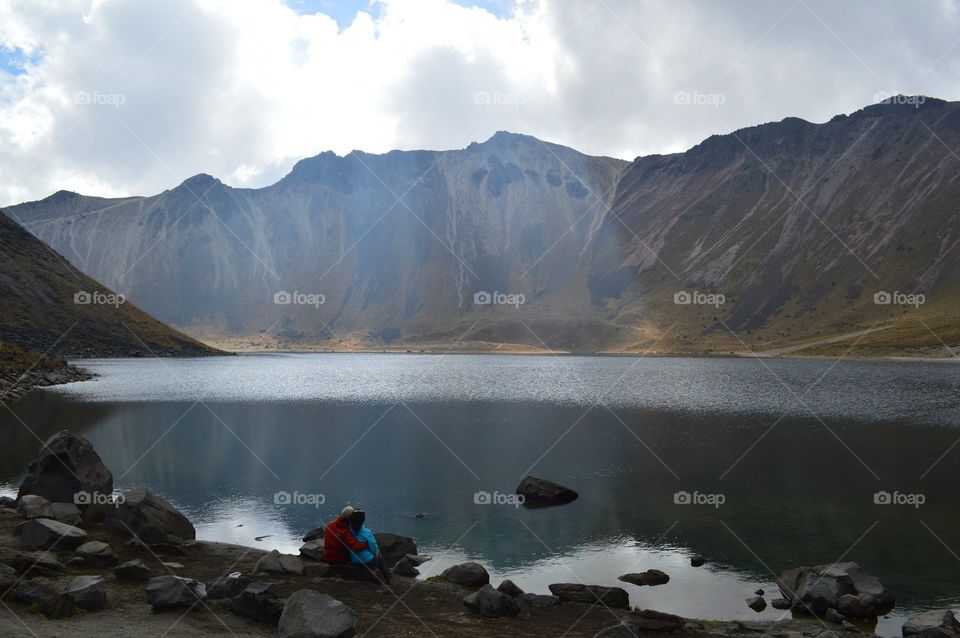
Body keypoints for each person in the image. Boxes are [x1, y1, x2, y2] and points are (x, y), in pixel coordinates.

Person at [347, 509, 391, 584]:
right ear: (363, 520)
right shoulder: (366, 532)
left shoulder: (347, 530)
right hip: (367, 562)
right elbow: (374, 549)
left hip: (353, 561)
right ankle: (388, 578)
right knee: (379, 557)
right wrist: (376, 554)